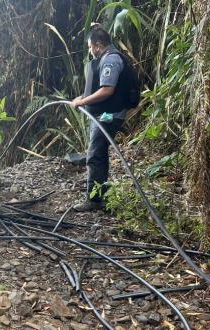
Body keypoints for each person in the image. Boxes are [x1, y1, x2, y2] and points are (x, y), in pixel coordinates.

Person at [70, 25, 130, 212]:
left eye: (90, 47)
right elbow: (99, 87)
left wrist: (83, 102)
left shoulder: (111, 60)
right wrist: (82, 98)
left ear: (97, 45)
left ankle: (94, 201)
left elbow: (107, 90)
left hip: (108, 116)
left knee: (95, 155)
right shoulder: (105, 59)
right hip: (103, 114)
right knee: (100, 154)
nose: (90, 51)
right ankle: (101, 196)